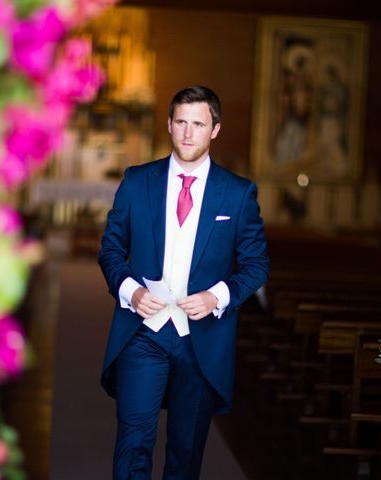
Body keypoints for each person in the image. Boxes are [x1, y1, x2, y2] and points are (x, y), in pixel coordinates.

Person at [98, 85, 270, 479]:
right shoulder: (137, 181)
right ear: (169, 125)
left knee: (185, 451)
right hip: (143, 334)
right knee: (133, 441)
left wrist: (217, 296)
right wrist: (131, 291)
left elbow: (257, 264)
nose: (188, 133)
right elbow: (110, 250)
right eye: (181, 122)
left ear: (215, 129)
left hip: (202, 340)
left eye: (199, 123)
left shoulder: (238, 194)